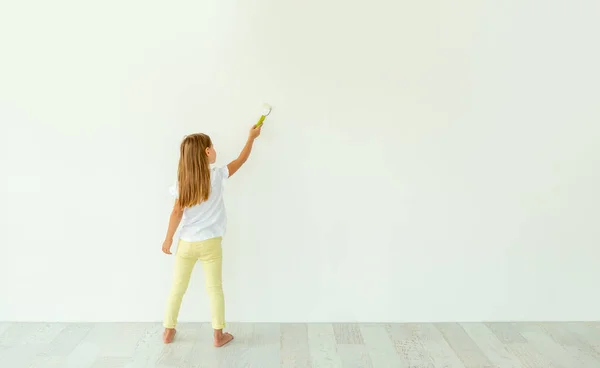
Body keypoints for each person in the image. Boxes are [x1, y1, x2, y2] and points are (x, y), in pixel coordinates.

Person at [161, 125, 262, 346]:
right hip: (211, 244)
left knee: (177, 287)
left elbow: (176, 212)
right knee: (214, 289)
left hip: (186, 244)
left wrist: (168, 238)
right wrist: (251, 138)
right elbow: (241, 160)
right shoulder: (216, 176)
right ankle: (218, 335)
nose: (215, 150)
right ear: (207, 152)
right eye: (212, 147)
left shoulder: (182, 184)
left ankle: (168, 330)